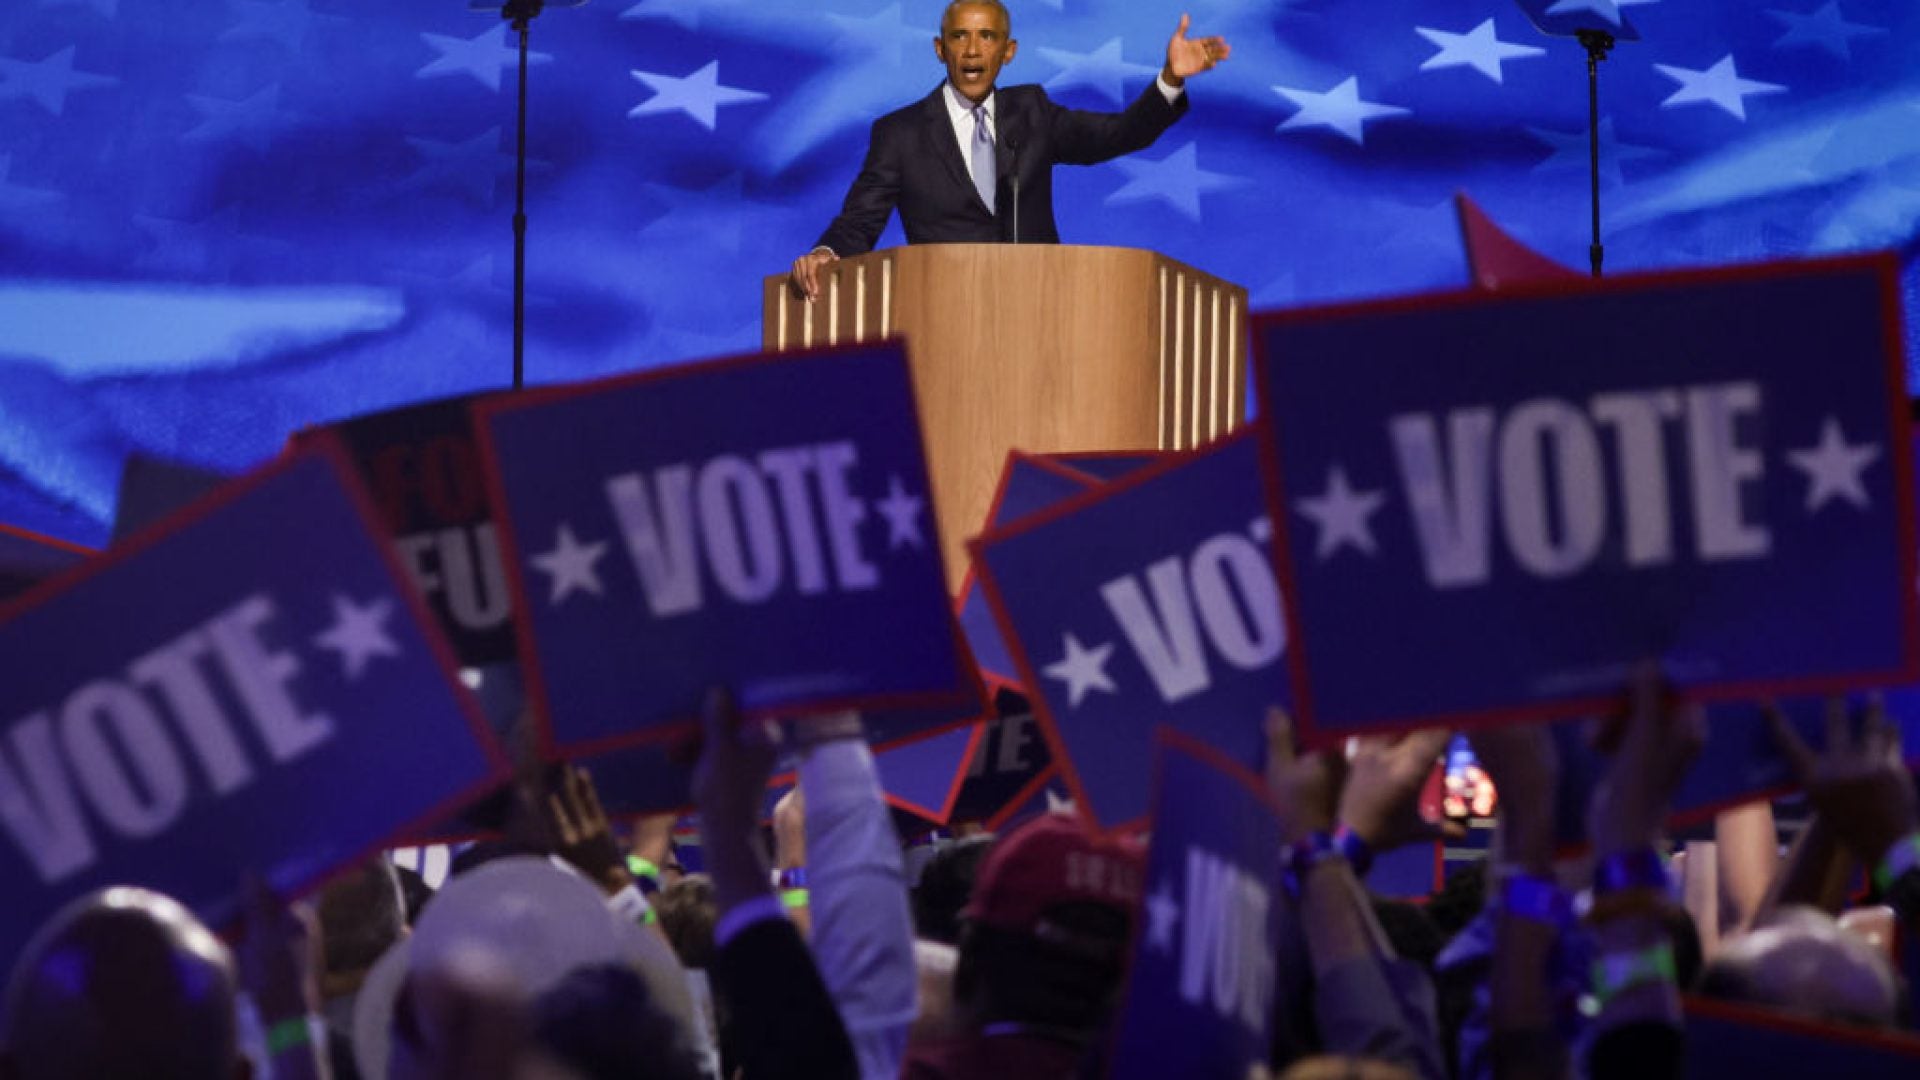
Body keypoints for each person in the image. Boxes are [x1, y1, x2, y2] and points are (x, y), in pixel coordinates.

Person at [788, 1, 1230, 299]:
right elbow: (860, 219)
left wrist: (1170, 78)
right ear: (940, 49)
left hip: (1044, 309)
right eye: (960, 37)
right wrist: (827, 254)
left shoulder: (1033, 112)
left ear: (1009, 51)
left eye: (987, 37)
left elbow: (1119, 134)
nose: (973, 49)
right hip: (943, 319)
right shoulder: (899, 133)